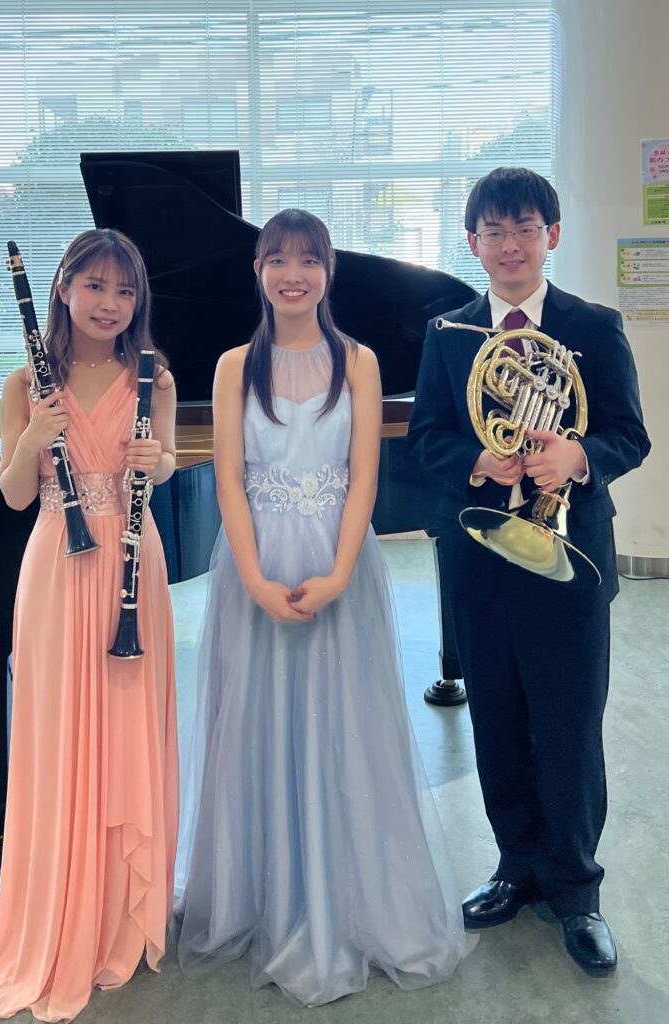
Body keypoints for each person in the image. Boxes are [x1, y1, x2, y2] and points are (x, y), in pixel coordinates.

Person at [176, 209, 464, 1006]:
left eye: (308, 260)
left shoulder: (359, 362)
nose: (292, 275)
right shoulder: (233, 365)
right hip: (256, 566)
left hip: (340, 563)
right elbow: (228, 479)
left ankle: (346, 897)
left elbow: (364, 476)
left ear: (329, 272)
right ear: (258, 272)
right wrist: (254, 577)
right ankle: (265, 894)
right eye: (278, 260)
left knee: (342, 725)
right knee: (259, 723)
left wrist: (338, 574)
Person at [407, 167, 651, 977]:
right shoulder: (447, 333)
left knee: (570, 724)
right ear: (472, 243)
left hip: (569, 556)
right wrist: (478, 460)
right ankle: (516, 866)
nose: (509, 244)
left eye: (524, 228)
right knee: (499, 721)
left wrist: (578, 456)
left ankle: (576, 891)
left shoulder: (593, 326)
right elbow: (426, 437)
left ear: (552, 235)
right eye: (493, 231)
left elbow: (628, 434)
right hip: (481, 556)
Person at [0, 228, 179, 1021]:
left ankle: (121, 905)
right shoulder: (26, 380)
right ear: (62, 288)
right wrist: (32, 436)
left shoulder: (154, 373)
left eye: (124, 290)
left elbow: (168, 461)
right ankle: (62, 905)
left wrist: (160, 463)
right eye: (94, 286)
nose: (109, 304)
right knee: (59, 734)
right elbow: (16, 495)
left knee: (125, 726)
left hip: (131, 563)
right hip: (58, 565)